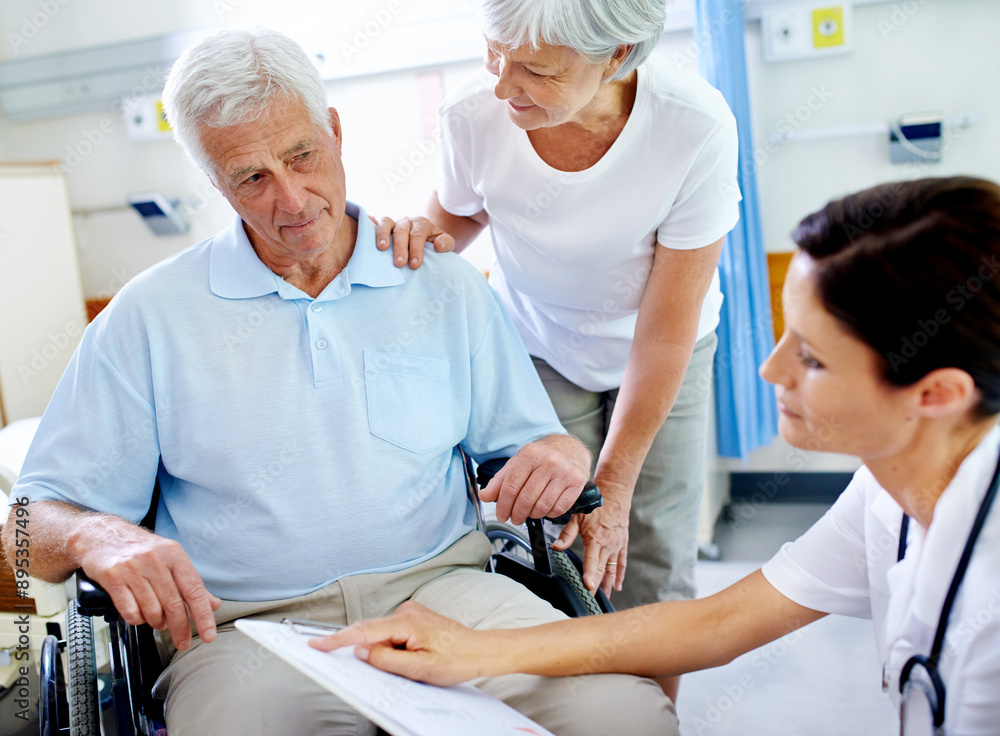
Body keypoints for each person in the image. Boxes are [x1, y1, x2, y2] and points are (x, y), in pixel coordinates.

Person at [1, 28, 678, 736]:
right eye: (251, 177)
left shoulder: (440, 282)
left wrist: (562, 454)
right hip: (246, 632)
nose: (293, 202)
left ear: (335, 130)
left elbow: (530, 444)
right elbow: (24, 532)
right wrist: (92, 538)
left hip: (450, 598)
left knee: (624, 715)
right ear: (212, 182)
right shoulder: (145, 317)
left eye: (302, 155)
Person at [315, 176, 1000, 735]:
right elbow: (722, 620)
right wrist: (478, 652)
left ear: (936, 393)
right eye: (790, 334)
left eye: (813, 359)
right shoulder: (890, 492)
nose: (771, 371)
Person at [379, 1, 741, 699]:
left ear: (618, 55)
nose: (501, 83)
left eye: (534, 70)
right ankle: (591, 702)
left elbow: (664, 332)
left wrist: (619, 482)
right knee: (563, 544)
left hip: (667, 350)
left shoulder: (692, 128)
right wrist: (411, 242)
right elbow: (453, 221)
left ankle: (652, 715)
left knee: (653, 549)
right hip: (543, 345)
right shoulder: (473, 119)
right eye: (493, 54)